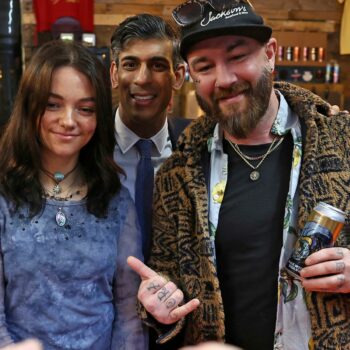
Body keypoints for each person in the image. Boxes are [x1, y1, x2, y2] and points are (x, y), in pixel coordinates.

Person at [128, 0, 350, 349]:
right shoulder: (177, 172)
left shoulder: (342, 141)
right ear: (191, 75)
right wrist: (161, 307)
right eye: (205, 65)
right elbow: (168, 276)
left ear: (270, 53)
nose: (225, 79)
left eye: (237, 57)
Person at [0, 40, 147, 349]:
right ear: (30, 105)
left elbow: (128, 314)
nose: (68, 120)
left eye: (85, 109)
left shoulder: (116, 200)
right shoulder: (5, 194)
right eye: (53, 104)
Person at [109, 14, 190, 260]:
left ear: (177, 76)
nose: (142, 79)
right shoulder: (84, 146)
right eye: (130, 65)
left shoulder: (198, 147)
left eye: (157, 65)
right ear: (114, 73)